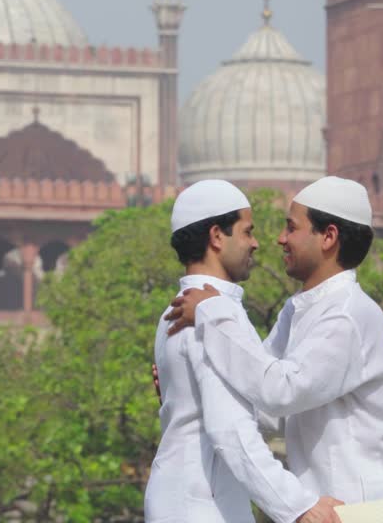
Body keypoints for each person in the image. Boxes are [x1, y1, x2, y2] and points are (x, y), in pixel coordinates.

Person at [166, 176, 383, 523]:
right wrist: (189, 388)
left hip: (366, 506)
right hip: (327, 507)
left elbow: (281, 391)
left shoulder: (347, 314)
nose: (280, 239)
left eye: (291, 227)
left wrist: (211, 315)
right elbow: (257, 400)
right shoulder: (298, 310)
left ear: (328, 236)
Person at [146, 179, 343, 523]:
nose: (256, 243)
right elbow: (230, 429)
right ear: (216, 236)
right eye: (247, 231)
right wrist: (299, 506)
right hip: (201, 504)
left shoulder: (176, 311)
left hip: (187, 496)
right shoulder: (211, 311)